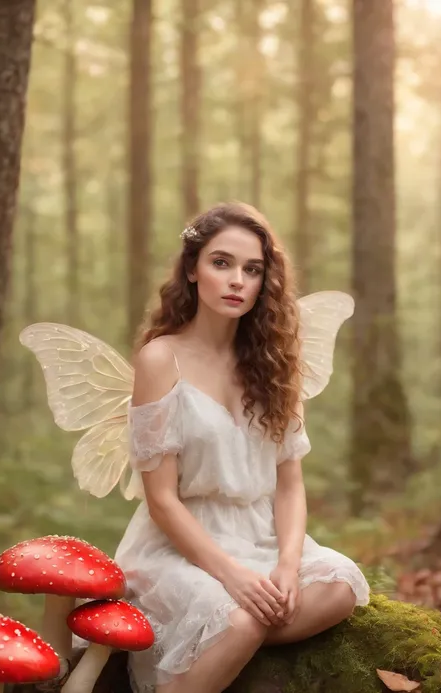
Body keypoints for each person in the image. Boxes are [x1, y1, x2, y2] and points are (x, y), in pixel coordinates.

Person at [113, 202, 369, 692]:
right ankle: (208, 653)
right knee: (242, 618)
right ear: (192, 269)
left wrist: (288, 568)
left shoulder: (275, 363)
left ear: (264, 282)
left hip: (260, 539)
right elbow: (162, 500)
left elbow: (289, 486)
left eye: (252, 270)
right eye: (221, 262)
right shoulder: (160, 359)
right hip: (181, 545)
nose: (237, 280)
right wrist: (232, 577)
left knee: (339, 587)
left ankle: (221, 644)